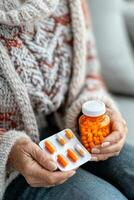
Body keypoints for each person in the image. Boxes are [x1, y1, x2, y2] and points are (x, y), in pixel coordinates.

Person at [0, 0, 133, 200]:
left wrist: (98, 110)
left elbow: (89, 74)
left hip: (68, 130)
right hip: (9, 165)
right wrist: (7, 149)